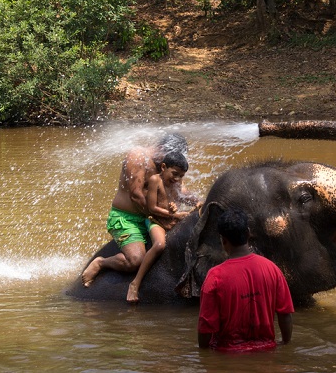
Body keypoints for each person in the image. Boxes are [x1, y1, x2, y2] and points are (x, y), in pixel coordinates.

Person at [80, 133, 193, 288]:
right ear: (161, 148)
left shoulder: (166, 164)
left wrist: (200, 202)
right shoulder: (138, 156)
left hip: (150, 218)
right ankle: (101, 263)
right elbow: (136, 194)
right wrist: (163, 217)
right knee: (135, 260)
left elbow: (181, 191)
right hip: (127, 218)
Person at [197, 209, 294, 352]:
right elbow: (285, 314)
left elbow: (206, 327)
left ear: (223, 240)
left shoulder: (215, 277)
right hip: (266, 355)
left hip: (228, 358)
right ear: (248, 233)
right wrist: (285, 343)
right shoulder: (272, 269)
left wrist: (204, 354)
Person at [126, 151, 194, 303]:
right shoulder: (155, 180)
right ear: (163, 167)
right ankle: (135, 283)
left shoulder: (177, 182)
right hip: (155, 221)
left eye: (181, 176)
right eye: (175, 174)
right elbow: (152, 208)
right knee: (159, 244)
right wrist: (174, 215)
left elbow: (177, 199)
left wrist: (180, 206)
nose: (177, 179)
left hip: (170, 219)